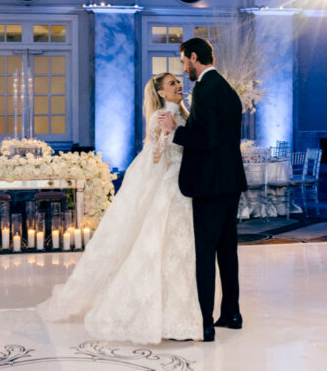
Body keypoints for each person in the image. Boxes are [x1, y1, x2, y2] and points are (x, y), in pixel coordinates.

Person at [38, 73, 205, 344]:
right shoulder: (161, 117)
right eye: (172, 84)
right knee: (161, 245)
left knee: (182, 248)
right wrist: (167, 134)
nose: (179, 86)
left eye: (178, 82)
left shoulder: (185, 114)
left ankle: (182, 312)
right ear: (161, 93)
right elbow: (157, 154)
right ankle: (159, 315)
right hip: (170, 185)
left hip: (186, 184)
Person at [156, 37, 247, 342]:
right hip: (230, 181)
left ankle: (205, 322)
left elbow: (207, 138)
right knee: (227, 251)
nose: (184, 68)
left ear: (195, 57)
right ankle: (232, 313)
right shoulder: (226, 88)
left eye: (184, 62)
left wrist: (175, 131)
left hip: (209, 184)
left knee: (205, 253)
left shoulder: (205, 90)